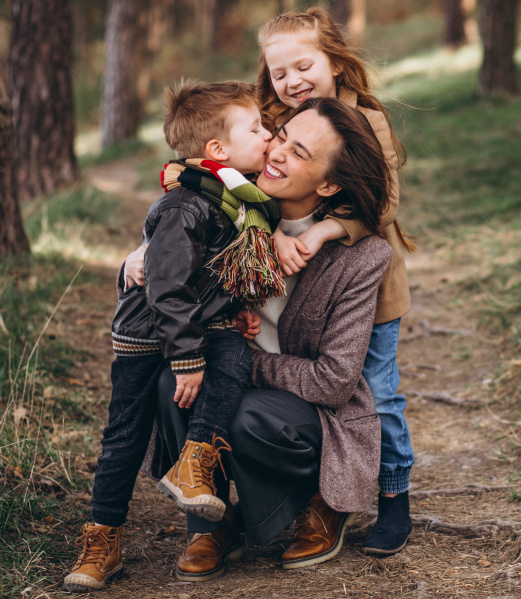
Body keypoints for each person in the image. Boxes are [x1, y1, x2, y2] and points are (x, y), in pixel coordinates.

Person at [136, 98, 393, 581]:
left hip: (311, 412)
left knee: (243, 410)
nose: (276, 153)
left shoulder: (362, 257)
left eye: (299, 153)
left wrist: (238, 364)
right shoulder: (229, 209)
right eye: (281, 137)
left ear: (329, 183)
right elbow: (173, 229)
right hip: (230, 375)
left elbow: (334, 381)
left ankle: (323, 501)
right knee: (171, 385)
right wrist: (142, 254)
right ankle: (210, 523)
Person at [63, 80, 276, 593]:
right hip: (147, 334)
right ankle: (103, 538)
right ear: (217, 150)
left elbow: (217, 271)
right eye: (257, 128)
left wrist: (240, 307)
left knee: (233, 360)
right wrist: (185, 357)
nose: (269, 134)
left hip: (202, 324)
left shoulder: (235, 201)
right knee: (124, 436)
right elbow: (167, 286)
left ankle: (194, 462)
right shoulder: (186, 206)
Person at [257, 7, 415, 556]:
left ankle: (395, 500)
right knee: (315, 385)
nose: (292, 82)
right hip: (306, 292)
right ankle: (318, 495)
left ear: (335, 63)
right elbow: (247, 181)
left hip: (370, 292)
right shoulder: (278, 123)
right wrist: (272, 232)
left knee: (379, 396)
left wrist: (328, 227)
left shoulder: (366, 121)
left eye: (304, 66)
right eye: (280, 74)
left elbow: (387, 201)